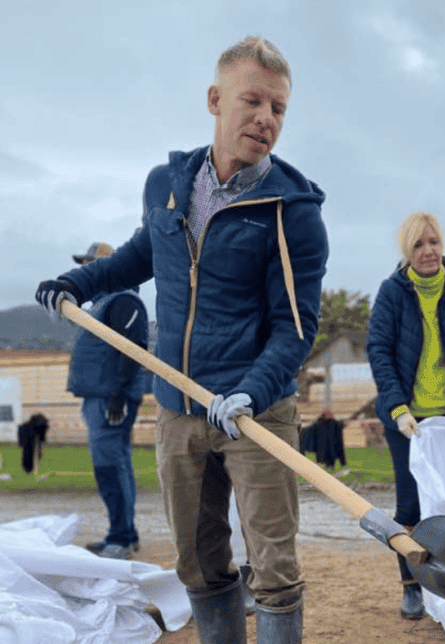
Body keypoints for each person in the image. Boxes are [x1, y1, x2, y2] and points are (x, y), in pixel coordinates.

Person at [35, 35, 328, 644]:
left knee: (273, 568)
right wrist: (75, 283)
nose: (266, 118)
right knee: (198, 561)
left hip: (257, 416)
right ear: (215, 100)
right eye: (252, 101)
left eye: (278, 108)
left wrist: (250, 392)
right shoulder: (166, 184)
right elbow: (142, 255)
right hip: (178, 407)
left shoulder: (291, 211)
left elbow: (295, 327)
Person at [367, 212, 445, 620]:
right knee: (410, 508)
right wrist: (397, 409)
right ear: (406, 251)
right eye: (418, 245)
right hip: (409, 423)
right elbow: (380, 355)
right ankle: (412, 587)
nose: (428, 251)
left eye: (434, 242)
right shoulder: (391, 293)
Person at [64, 242, 149, 559]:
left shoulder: (123, 300)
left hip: (111, 399)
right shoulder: (102, 303)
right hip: (98, 397)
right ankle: (124, 532)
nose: (87, 271)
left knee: (110, 467)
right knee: (116, 464)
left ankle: (121, 538)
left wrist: (118, 396)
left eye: (90, 265)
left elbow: (134, 349)